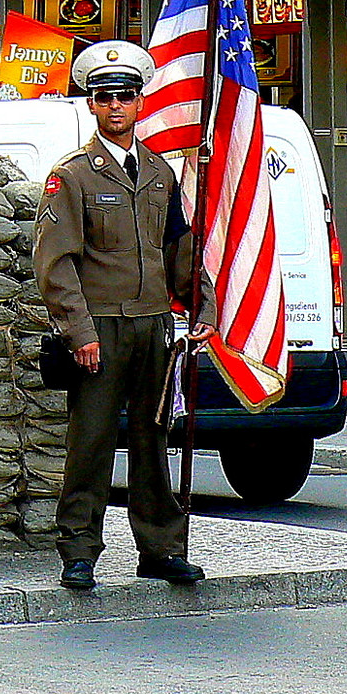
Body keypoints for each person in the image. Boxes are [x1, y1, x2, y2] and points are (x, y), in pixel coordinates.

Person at [32, 39, 217, 591]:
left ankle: (161, 548)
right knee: (89, 443)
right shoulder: (73, 176)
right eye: (106, 98)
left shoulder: (160, 174)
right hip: (101, 328)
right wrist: (79, 332)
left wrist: (201, 305)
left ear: (140, 103)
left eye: (127, 97)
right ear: (91, 105)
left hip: (154, 324)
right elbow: (56, 262)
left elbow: (178, 247)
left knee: (152, 439)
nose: (117, 107)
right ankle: (79, 550)